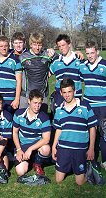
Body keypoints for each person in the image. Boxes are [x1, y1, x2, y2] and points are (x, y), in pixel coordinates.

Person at [52, 78, 97, 185]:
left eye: (69, 92)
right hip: (64, 148)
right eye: (64, 92)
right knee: (58, 180)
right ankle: (70, 165)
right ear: (61, 93)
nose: (67, 95)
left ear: (74, 91)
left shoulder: (85, 106)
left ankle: (88, 167)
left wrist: (91, 148)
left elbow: (92, 127)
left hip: (79, 149)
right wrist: (54, 146)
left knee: (80, 182)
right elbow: (59, 128)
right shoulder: (59, 109)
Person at [12, 89, 51, 177]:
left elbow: (46, 139)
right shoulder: (19, 114)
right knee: (21, 172)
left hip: (37, 146)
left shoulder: (44, 117)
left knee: (46, 149)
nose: (37, 106)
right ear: (29, 101)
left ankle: (37, 163)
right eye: (35, 102)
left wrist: (31, 149)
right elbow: (14, 133)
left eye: (39, 103)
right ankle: (29, 160)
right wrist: (19, 150)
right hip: (23, 146)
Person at [80, 41, 106, 170]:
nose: (90, 56)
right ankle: (92, 160)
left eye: (92, 53)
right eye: (87, 53)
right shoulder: (83, 65)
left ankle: (105, 161)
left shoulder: (104, 65)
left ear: (97, 52)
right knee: (91, 132)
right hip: (89, 105)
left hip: (102, 105)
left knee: (103, 133)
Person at [19, 33, 55, 113]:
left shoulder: (47, 55)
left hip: (42, 96)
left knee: (42, 121)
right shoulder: (23, 57)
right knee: (23, 121)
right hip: (26, 96)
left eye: (39, 45)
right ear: (30, 44)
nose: (37, 48)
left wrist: (77, 53)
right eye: (34, 45)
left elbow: (63, 57)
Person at [0, 35, 22, 114]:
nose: (4, 48)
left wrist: (17, 99)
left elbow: (19, 81)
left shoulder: (15, 61)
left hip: (10, 98)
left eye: (6, 46)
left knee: (9, 121)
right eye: (1, 46)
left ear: (9, 46)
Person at [49, 34, 83, 111]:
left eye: (63, 45)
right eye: (59, 46)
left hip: (76, 97)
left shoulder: (79, 59)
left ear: (69, 44)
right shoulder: (55, 61)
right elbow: (46, 75)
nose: (61, 48)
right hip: (60, 97)